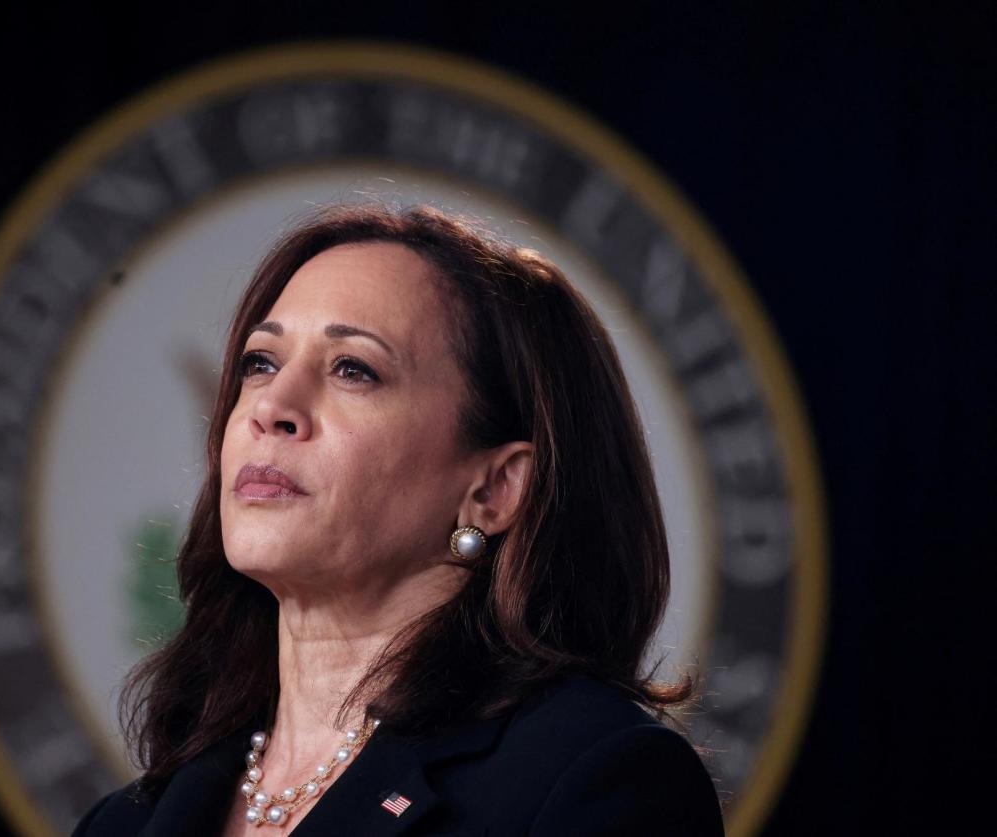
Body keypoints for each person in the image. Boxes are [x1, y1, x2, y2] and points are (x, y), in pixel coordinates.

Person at [72, 203, 725, 836]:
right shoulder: (123, 822)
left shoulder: (593, 778)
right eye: (260, 363)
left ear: (492, 489)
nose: (272, 406)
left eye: (354, 369)